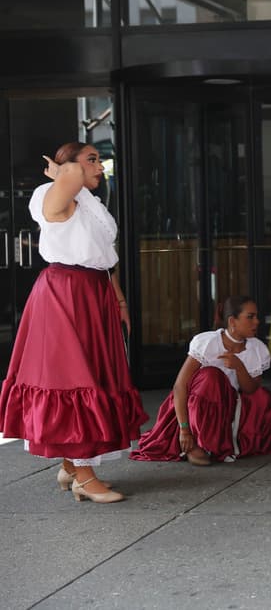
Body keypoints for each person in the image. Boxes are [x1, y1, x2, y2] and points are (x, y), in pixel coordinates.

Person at [0, 142, 147, 504]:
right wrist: (62, 172)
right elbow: (68, 185)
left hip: (92, 291)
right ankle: (83, 475)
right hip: (66, 294)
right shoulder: (50, 195)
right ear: (68, 168)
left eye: (99, 160)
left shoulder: (88, 201)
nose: (99, 167)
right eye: (92, 160)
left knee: (94, 375)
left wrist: (118, 297)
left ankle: (71, 464)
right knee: (74, 379)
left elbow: (102, 259)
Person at [131, 296, 271, 464]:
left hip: (229, 406)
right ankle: (195, 443)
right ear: (232, 321)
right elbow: (179, 386)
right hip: (193, 407)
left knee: (264, 396)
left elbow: (250, 390)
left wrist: (239, 367)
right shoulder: (208, 342)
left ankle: (227, 441)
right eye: (250, 317)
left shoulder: (257, 348)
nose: (257, 322)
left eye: (256, 316)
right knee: (212, 376)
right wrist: (184, 430)